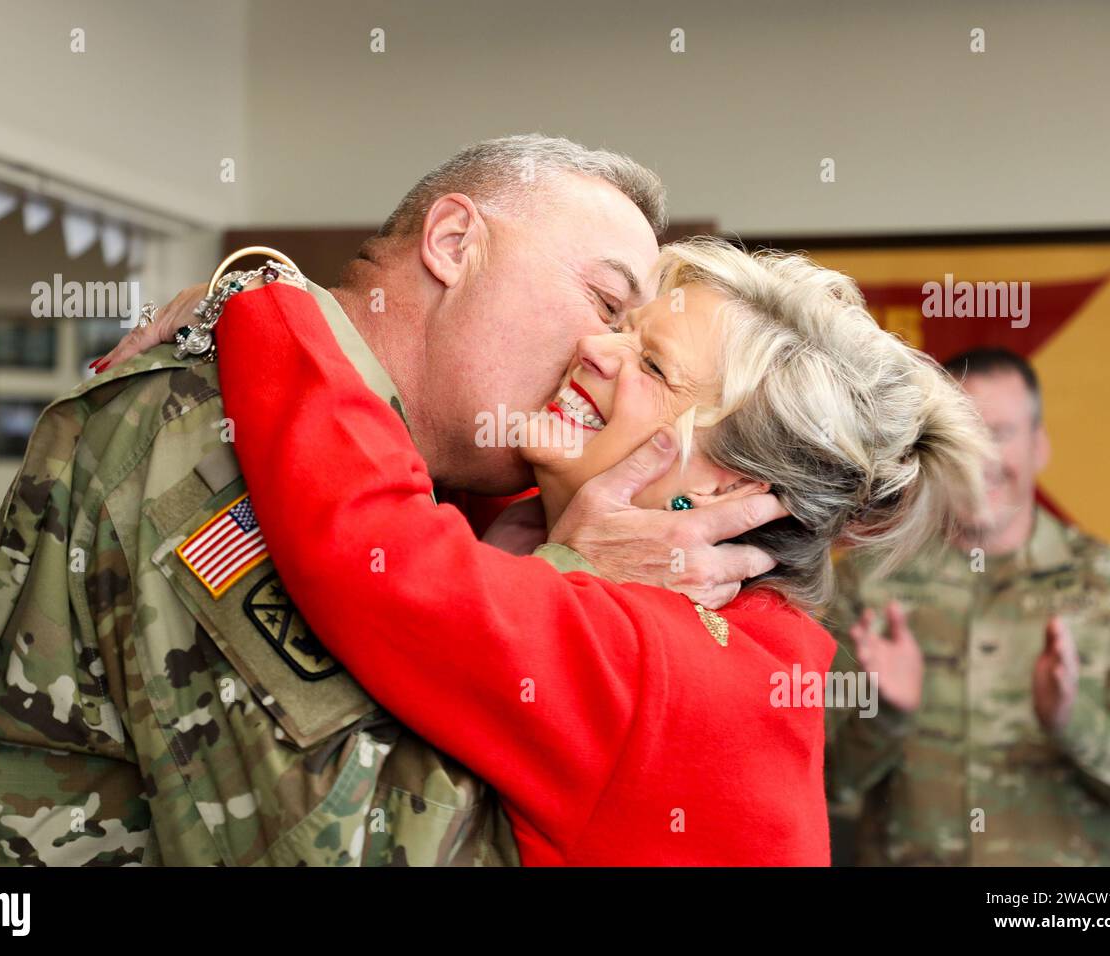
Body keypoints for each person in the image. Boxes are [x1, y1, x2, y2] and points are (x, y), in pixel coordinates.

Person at [0, 135, 781, 866]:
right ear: (455, 244)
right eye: (603, 302)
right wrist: (567, 596)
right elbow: (353, 848)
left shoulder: (413, 479)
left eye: (635, 340)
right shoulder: (214, 426)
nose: (602, 354)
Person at [194, 238, 991, 864]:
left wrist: (263, 298)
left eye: (650, 365)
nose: (593, 348)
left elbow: (367, 550)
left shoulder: (653, 663)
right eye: (618, 324)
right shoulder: (743, 635)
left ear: (723, 487)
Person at [825, 347, 1110, 866]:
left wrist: (1071, 719)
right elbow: (818, 783)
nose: (979, 458)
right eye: (960, 434)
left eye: (1001, 432)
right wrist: (886, 717)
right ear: (930, 449)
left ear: (1039, 446)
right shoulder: (866, 582)